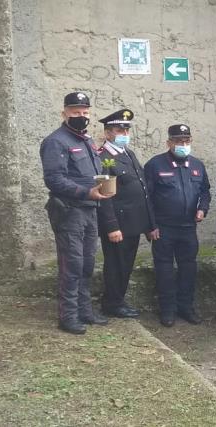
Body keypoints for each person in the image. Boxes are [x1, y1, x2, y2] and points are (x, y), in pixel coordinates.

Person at [40, 91, 113, 334]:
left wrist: (103, 186)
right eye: (75, 113)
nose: (81, 117)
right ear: (64, 113)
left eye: (85, 113)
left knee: (87, 264)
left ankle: (85, 311)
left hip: (89, 210)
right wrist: (86, 192)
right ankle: (68, 316)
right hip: (70, 211)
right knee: (72, 264)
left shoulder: (86, 140)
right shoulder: (56, 141)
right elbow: (54, 179)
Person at [144, 124, 211, 327]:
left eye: (187, 141)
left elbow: (205, 191)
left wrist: (203, 209)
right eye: (179, 141)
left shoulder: (197, 165)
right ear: (169, 143)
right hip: (163, 229)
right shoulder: (155, 165)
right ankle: (167, 310)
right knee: (164, 270)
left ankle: (186, 308)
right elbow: (146, 198)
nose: (183, 145)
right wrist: (150, 225)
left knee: (188, 269)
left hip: (188, 228)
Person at [96, 109, 153, 319]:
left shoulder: (127, 153)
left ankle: (118, 299)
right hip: (118, 224)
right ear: (108, 133)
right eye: (120, 129)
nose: (124, 133)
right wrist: (111, 226)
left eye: (127, 129)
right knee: (116, 265)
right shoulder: (104, 157)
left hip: (133, 223)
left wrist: (149, 224)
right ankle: (112, 303)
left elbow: (142, 189)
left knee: (126, 264)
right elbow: (105, 194)